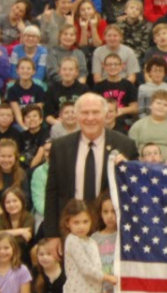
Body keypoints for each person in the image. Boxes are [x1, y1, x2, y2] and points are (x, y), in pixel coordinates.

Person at [43, 93, 137, 239]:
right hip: (71, 233)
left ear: (106, 114)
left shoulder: (125, 145)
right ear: (76, 115)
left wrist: (126, 170)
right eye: (85, 113)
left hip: (111, 234)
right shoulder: (60, 147)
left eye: (95, 112)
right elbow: (52, 192)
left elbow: (133, 190)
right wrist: (52, 235)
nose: (90, 118)